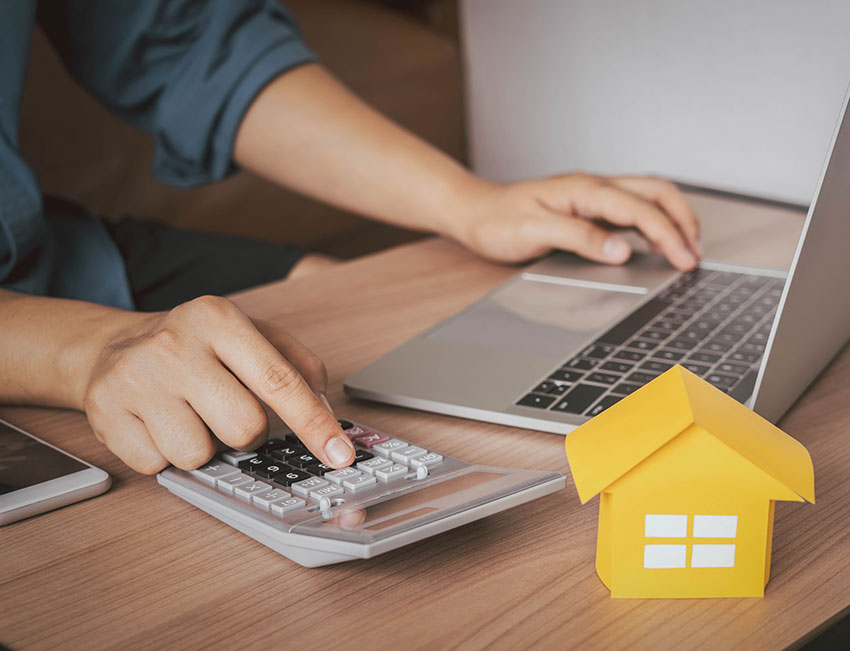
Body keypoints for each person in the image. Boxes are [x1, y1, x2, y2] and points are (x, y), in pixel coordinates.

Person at [0, 1, 700, 475]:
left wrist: (469, 203)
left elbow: (179, 39)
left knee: (369, 336)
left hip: (58, 252)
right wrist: (85, 350)